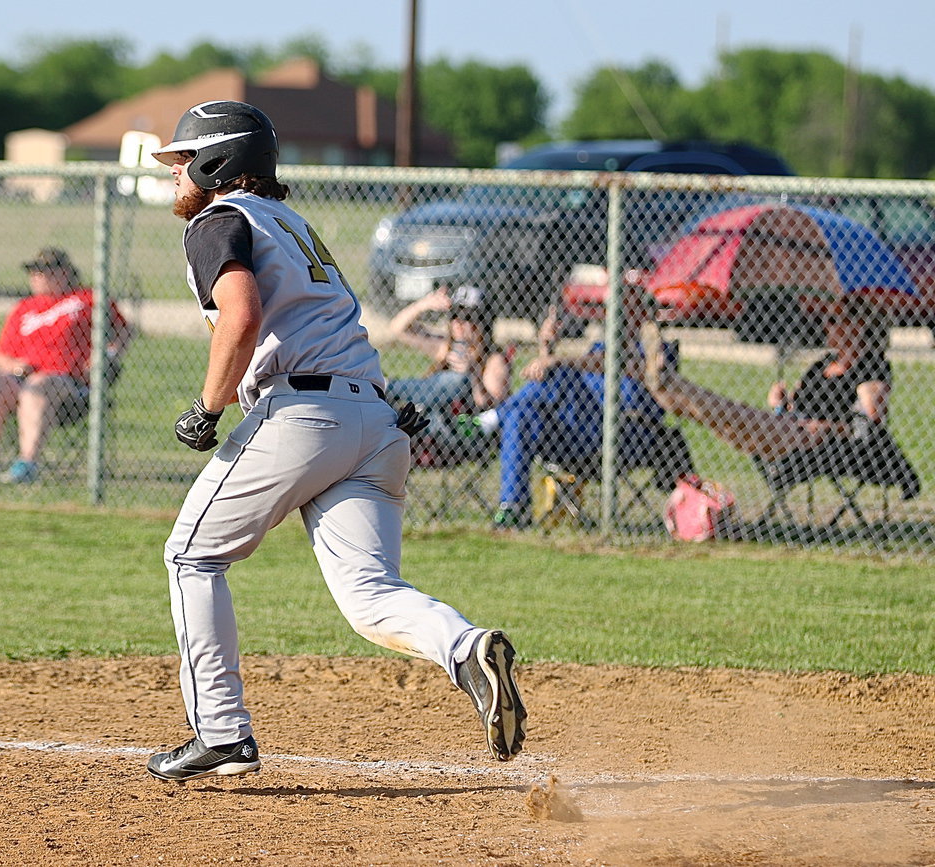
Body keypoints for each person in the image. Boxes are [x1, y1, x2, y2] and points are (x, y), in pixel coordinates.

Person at [145, 100, 526, 782]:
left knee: (191, 556)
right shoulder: (291, 223)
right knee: (371, 594)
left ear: (216, 162)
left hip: (302, 416)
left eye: (181, 161)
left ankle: (221, 732)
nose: (175, 176)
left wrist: (206, 410)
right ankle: (466, 648)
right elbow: (329, 322)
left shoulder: (218, 219)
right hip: (373, 419)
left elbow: (242, 315)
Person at [643, 295, 896, 464]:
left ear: (858, 325)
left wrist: (826, 428)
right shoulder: (823, 363)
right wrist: (780, 402)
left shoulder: (870, 367)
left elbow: (869, 425)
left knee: (732, 416)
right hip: (790, 429)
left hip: (818, 444)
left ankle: (670, 386)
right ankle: (670, 390)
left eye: (834, 320)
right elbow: (794, 404)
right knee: (730, 420)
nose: (826, 325)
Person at [491, 292, 670, 530]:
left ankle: (492, 417)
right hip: (576, 436)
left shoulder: (655, 351)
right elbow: (555, 385)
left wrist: (557, 361)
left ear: (643, 315)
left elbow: (615, 363)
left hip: (622, 438)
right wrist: (547, 348)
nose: (619, 315)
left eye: (629, 308)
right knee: (521, 415)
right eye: (616, 308)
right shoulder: (597, 347)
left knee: (560, 372)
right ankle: (512, 508)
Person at [0, 247, 132, 484]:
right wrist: (17, 367)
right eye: (33, 272)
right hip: (21, 378)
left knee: (38, 386)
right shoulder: (24, 308)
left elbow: (123, 331)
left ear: (64, 273)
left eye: (43, 272)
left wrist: (106, 355)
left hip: (69, 384)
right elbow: (1, 356)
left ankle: (27, 464)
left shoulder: (88, 299)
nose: (36, 277)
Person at [385, 283, 511, 462]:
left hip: (464, 434)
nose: (459, 323)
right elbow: (398, 328)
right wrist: (424, 304)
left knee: (457, 382)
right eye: (455, 315)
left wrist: (473, 373)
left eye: (468, 317)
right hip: (430, 427)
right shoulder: (445, 347)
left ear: (484, 322)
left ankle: (389, 388)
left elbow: (490, 407)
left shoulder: (494, 359)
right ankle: (388, 398)